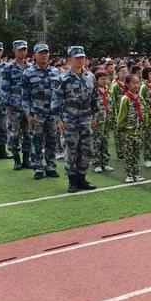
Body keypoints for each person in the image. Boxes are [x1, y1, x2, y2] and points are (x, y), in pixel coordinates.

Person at [51, 46, 98, 193]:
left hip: (86, 116)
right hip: (69, 118)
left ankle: (82, 178)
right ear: (70, 59)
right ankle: (72, 180)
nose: (81, 60)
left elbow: (94, 98)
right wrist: (58, 120)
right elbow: (55, 101)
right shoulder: (62, 78)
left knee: (87, 150)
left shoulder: (90, 76)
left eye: (82, 57)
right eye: (77, 57)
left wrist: (95, 116)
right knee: (70, 150)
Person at [21, 44, 61, 179]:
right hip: (36, 112)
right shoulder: (28, 72)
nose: (44, 55)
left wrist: (59, 114)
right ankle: (37, 167)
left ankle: (50, 166)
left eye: (46, 53)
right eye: (41, 53)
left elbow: (60, 94)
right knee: (36, 140)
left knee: (52, 140)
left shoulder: (56, 72)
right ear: (35, 55)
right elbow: (25, 96)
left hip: (52, 112)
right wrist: (27, 114)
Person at [0, 40, 31, 170]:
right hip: (14, 106)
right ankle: (17, 159)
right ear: (14, 51)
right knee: (14, 134)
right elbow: (3, 88)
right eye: (19, 50)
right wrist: (6, 105)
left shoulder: (30, 67)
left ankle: (26, 160)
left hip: (28, 108)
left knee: (29, 134)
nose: (22, 52)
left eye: (24, 49)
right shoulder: (8, 67)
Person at [117, 74, 145, 183]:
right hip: (128, 131)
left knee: (137, 153)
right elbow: (122, 115)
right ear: (127, 84)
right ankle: (129, 174)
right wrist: (121, 129)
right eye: (134, 83)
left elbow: (143, 112)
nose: (136, 85)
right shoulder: (126, 98)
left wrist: (144, 124)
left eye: (138, 82)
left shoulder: (140, 98)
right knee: (129, 154)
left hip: (138, 131)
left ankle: (136, 173)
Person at [91, 71, 114, 173]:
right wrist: (92, 118)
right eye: (102, 79)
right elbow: (91, 106)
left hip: (106, 120)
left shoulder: (108, 91)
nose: (104, 81)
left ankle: (105, 163)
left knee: (105, 142)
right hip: (97, 120)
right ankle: (97, 163)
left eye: (106, 79)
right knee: (96, 142)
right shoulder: (94, 92)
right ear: (96, 81)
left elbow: (111, 105)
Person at [110, 65, 128, 160]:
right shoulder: (115, 85)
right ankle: (120, 154)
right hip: (118, 111)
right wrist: (114, 114)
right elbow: (112, 100)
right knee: (119, 134)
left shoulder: (128, 83)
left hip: (127, 112)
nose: (125, 74)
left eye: (126, 72)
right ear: (118, 73)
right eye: (123, 72)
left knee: (126, 133)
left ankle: (126, 151)